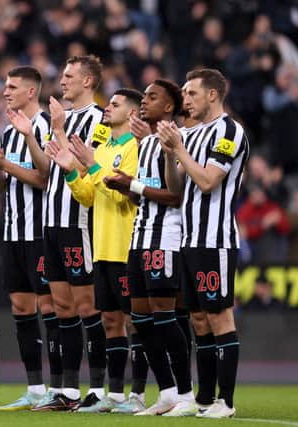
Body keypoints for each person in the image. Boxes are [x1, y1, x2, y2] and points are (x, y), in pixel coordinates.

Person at [159, 68, 249, 418]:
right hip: (190, 240)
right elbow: (177, 189)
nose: (185, 99)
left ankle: (225, 401)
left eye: (191, 93)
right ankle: (204, 399)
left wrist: (179, 147)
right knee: (198, 319)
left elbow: (209, 181)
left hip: (216, 240)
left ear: (212, 94)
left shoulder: (228, 131)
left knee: (219, 316)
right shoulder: (193, 135)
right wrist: (170, 153)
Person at [45, 88, 141, 413]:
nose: (107, 108)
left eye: (114, 104)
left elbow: (122, 194)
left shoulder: (133, 148)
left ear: (131, 113)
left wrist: (91, 166)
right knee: (112, 320)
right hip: (102, 247)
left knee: (135, 321)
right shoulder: (103, 149)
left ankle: (139, 395)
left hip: (125, 244)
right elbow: (89, 196)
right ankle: (112, 396)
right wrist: (72, 170)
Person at [103, 80, 195, 415]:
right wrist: (122, 186)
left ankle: (186, 394)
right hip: (138, 239)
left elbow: (175, 195)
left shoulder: (173, 141)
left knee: (165, 318)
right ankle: (168, 392)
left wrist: (133, 184)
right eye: (144, 97)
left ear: (169, 107)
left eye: (152, 98)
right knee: (140, 321)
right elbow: (143, 193)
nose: (145, 102)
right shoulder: (146, 144)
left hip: (164, 240)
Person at [30, 55, 107, 412]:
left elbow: (91, 169)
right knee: (62, 307)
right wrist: (33, 137)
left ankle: (100, 389)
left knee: (88, 306)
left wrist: (59, 132)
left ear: (88, 81)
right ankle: (68, 390)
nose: (62, 81)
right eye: (62, 74)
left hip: (79, 223)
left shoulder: (99, 121)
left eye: (69, 75)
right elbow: (49, 170)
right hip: (51, 222)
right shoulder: (56, 119)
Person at [0, 66, 57, 410]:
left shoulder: (44, 127)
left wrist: (4, 166)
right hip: (13, 232)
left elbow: (43, 179)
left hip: (40, 233)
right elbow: (1, 185)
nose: (5, 91)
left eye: (12, 87)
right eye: (5, 86)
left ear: (30, 91)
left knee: (51, 307)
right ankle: (35, 388)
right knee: (22, 309)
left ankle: (61, 387)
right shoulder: (9, 133)